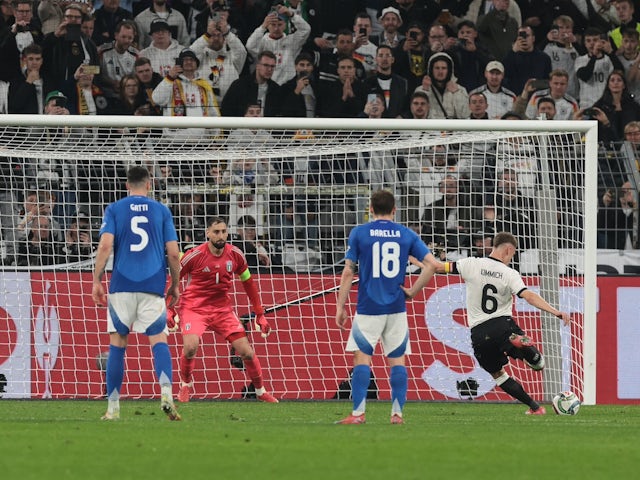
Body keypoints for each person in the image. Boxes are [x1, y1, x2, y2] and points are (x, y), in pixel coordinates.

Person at [428, 231, 572, 415]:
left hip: (479, 333)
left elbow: (439, 268)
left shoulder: (471, 263)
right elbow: (528, 296)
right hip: (503, 326)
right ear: (508, 250)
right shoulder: (509, 273)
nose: (511, 258)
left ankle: (535, 408)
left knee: (498, 374)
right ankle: (529, 352)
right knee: (539, 365)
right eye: (513, 254)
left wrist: (419, 260)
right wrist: (556, 312)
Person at [334, 189, 436, 425]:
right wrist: (412, 291)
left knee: (362, 360)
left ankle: (358, 414)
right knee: (397, 361)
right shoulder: (406, 234)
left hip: (368, 306)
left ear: (370, 209)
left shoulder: (359, 233)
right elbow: (432, 265)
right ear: (394, 210)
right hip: (397, 307)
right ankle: (397, 414)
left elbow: (348, 271)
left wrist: (341, 306)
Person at [91, 165, 182, 421]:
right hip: (153, 286)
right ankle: (166, 394)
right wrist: (174, 285)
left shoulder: (115, 209)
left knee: (117, 346)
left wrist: (97, 280)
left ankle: (113, 409)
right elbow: (174, 253)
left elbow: (106, 245)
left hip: (122, 286)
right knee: (159, 342)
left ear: (127, 185)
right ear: (149, 184)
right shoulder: (162, 210)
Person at [172, 216, 279, 404]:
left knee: (246, 352)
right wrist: (169, 309)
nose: (221, 235)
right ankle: (185, 386)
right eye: (216, 232)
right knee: (190, 348)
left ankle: (261, 391)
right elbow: (174, 281)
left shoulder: (236, 254)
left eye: (223, 231)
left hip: (222, 309)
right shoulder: (194, 255)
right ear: (207, 233)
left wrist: (259, 314)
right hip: (194, 308)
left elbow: (248, 283)